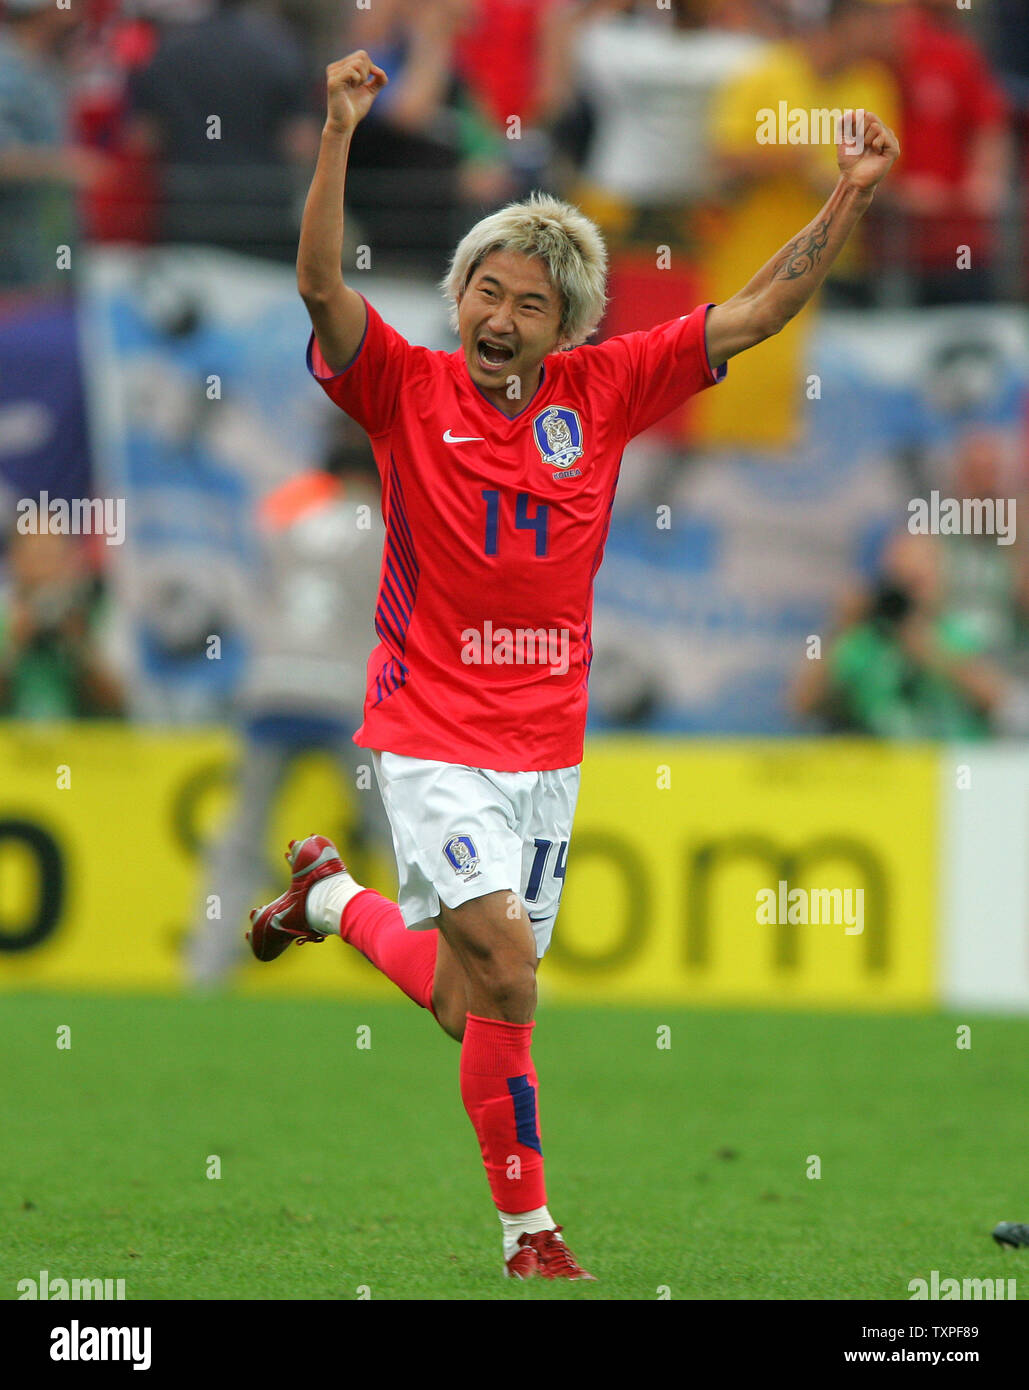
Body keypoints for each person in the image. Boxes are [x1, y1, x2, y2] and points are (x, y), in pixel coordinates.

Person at [247, 49, 899, 1281]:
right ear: (460, 296)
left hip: (546, 752)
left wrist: (848, 195)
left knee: (466, 999)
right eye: (485, 291)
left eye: (529, 304)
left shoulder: (604, 392)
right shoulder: (402, 388)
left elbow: (751, 314)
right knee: (511, 967)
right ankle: (531, 1234)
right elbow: (320, 281)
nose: (500, 317)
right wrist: (338, 129)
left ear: (569, 325)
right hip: (428, 725)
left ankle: (330, 898)